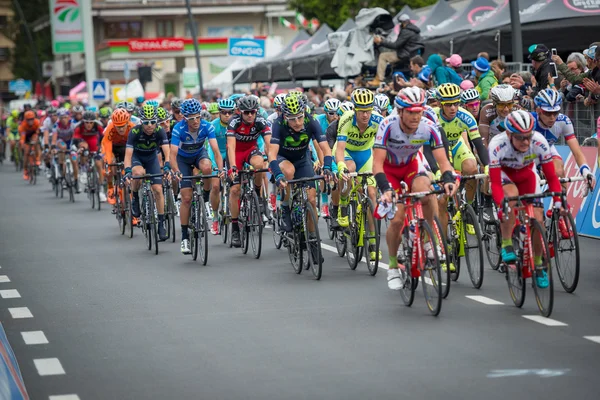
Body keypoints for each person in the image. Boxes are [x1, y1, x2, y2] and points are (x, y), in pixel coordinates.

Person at [373, 87, 457, 290]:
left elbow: (443, 160)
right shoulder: (387, 125)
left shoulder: (428, 126)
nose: (415, 116)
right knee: (397, 219)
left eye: (418, 111)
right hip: (389, 171)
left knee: (427, 192)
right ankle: (393, 266)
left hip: (411, 167)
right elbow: (377, 164)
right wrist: (385, 189)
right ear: (400, 111)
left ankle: (428, 241)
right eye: (410, 111)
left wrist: (447, 178)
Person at [488, 110, 562, 288]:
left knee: (538, 219)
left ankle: (538, 263)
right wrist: (501, 206)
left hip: (527, 175)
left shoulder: (539, 142)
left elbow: (552, 178)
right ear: (509, 134)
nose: (526, 142)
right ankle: (506, 242)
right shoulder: (497, 145)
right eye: (520, 138)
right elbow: (496, 184)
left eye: (528, 136)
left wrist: (558, 201)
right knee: (510, 198)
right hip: (506, 177)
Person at [268, 94, 333, 236]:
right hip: (283, 157)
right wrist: (278, 174)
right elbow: (271, 154)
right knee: (289, 172)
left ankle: (312, 238)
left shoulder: (311, 121)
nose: (297, 122)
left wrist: (327, 167)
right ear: (285, 117)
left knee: (311, 197)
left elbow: (325, 149)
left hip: (302, 159)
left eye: (300, 117)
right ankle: (285, 208)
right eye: (292, 119)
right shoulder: (278, 124)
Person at [333, 88, 383, 261]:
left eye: (368, 110)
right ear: (355, 109)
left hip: (366, 154)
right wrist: (340, 166)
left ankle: (373, 243)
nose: (365, 115)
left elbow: (384, 147)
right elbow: (339, 149)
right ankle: (344, 205)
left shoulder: (378, 120)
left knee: (371, 194)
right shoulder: (346, 120)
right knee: (350, 168)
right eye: (361, 111)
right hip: (347, 153)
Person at [170, 98, 224, 253]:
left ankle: (205, 199)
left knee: (207, 168)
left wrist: (220, 170)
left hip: (199, 154)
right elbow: (172, 155)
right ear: (185, 118)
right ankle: (185, 237)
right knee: (186, 198)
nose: (196, 121)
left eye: (198, 117)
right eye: (192, 118)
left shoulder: (207, 126)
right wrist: (176, 171)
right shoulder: (178, 129)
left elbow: (215, 151)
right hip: (183, 159)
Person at [226, 95, 271, 248]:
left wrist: (272, 161)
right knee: (235, 190)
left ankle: (258, 194)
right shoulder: (234, 122)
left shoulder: (260, 121)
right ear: (240, 112)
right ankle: (234, 228)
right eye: (246, 112)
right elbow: (231, 147)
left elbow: (269, 143)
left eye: (253, 112)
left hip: (251, 150)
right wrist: (232, 167)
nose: (250, 115)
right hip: (236, 154)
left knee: (260, 164)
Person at [532, 89, 595, 193]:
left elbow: (577, 152)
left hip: (547, 149)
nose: (552, 117)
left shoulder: (563, 121)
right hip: (527, 156)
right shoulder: (529, 121)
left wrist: (586, 171)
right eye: (548, 113)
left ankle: (561, 204)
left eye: (555, 112)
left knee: (559, 172)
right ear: (538, 110)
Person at [124, 104, 171, 242]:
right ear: (141, 122)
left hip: (151, 159)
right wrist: (127, 171)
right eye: (146, 122)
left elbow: (167, 152)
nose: (150, 125)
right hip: (137, 158)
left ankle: (161, 224)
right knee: (137, 173)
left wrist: (167, 166)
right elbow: (128, 155)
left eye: (152, 122)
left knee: (157, 189)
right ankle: (135, 199)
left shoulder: (160, 131)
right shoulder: (134, 132)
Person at [368, 14, 424, 87]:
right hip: (410, 53)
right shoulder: (414, 30)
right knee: (390, 57)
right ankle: (389, 78)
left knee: (383, 56)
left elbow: (396, 45)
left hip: (405, 54)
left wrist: (381, 41)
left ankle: (379, 79)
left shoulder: (406, 31)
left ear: (402, 23)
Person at [207, 98, 236, 234]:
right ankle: (214, 217)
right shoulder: (213, 125)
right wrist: (214, 167)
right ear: (219, 113)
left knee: (237, 186)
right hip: (217, 154)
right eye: (224, 112)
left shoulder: (236, 124)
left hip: (231, 155)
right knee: (215, 186)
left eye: (230, 113)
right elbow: (210, 150)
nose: (227, 115)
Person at [102, 109, 135, 207]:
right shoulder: (110, 128)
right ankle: (110, 187)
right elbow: (107, 147)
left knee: (128, 170)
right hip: (113, 147)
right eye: (118, 126)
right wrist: (108, 163)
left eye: (122, 126)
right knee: (109, 164)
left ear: (127, 122)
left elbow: (135, 147)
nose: (120, 129)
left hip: (126, 148)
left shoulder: (132, 127)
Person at [73, 111, 106, 201]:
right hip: (83, 142)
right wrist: (79, 147)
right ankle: (83, 170)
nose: (89, 125)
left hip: (94, 143)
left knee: (99, 164)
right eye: (86, 122)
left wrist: (102, 148)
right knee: (84, 148)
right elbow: (75, 138)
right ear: (83, 122)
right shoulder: (79, 126)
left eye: (91, 122)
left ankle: (101, 190)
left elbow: (104, 136)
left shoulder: (98, 125)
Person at [51, 108, 80, 191]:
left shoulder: (73, 124)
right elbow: (54, 139)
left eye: (65, 117)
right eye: (61, 118)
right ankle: (62, 173)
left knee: (74, 160)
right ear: (59, 118)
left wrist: (76, 147)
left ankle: (76, 181)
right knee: (62, 149)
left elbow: (76, 136)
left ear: (69, 117)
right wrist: (53, 147)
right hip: (61, 142)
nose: (63, 119)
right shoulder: (56, 125)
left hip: (71, 142)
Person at [19, 110, 41, 181]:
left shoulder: (37, 122)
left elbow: (38, 131)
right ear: (26, 119)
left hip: (33, 134)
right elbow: (22, 137)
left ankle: (37, 158)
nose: (30, 121)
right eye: (28, 119)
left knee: (36, 141)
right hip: (26, 136)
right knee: (26, 153)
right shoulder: (23, 125)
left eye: (32, 119)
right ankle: (25, 171)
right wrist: (22, 143)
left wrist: (37, 135)